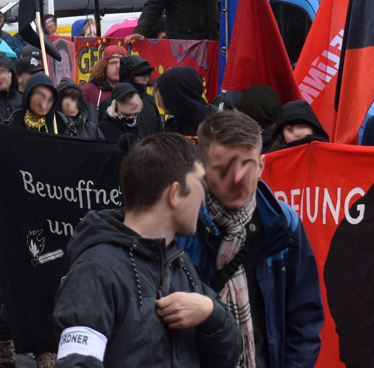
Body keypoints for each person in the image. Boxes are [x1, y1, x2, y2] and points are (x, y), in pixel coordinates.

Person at [53, 133, 243, 368]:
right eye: (200, 187)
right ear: (175, 194)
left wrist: (212, 315)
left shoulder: (179, 264)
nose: (204, 201)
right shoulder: (95, 271)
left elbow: (225, 359)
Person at [179, 110, 323, 368]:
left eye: (247, 166)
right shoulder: (179, 227)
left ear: (261, 166)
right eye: (223, 169)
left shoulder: (284, 224)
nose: (237, 181)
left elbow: (304, 317)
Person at [156, 66, 213, 136]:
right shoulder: (172, 126)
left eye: (163, 92)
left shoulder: (218, 124)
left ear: (178, 94)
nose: (159, 99)